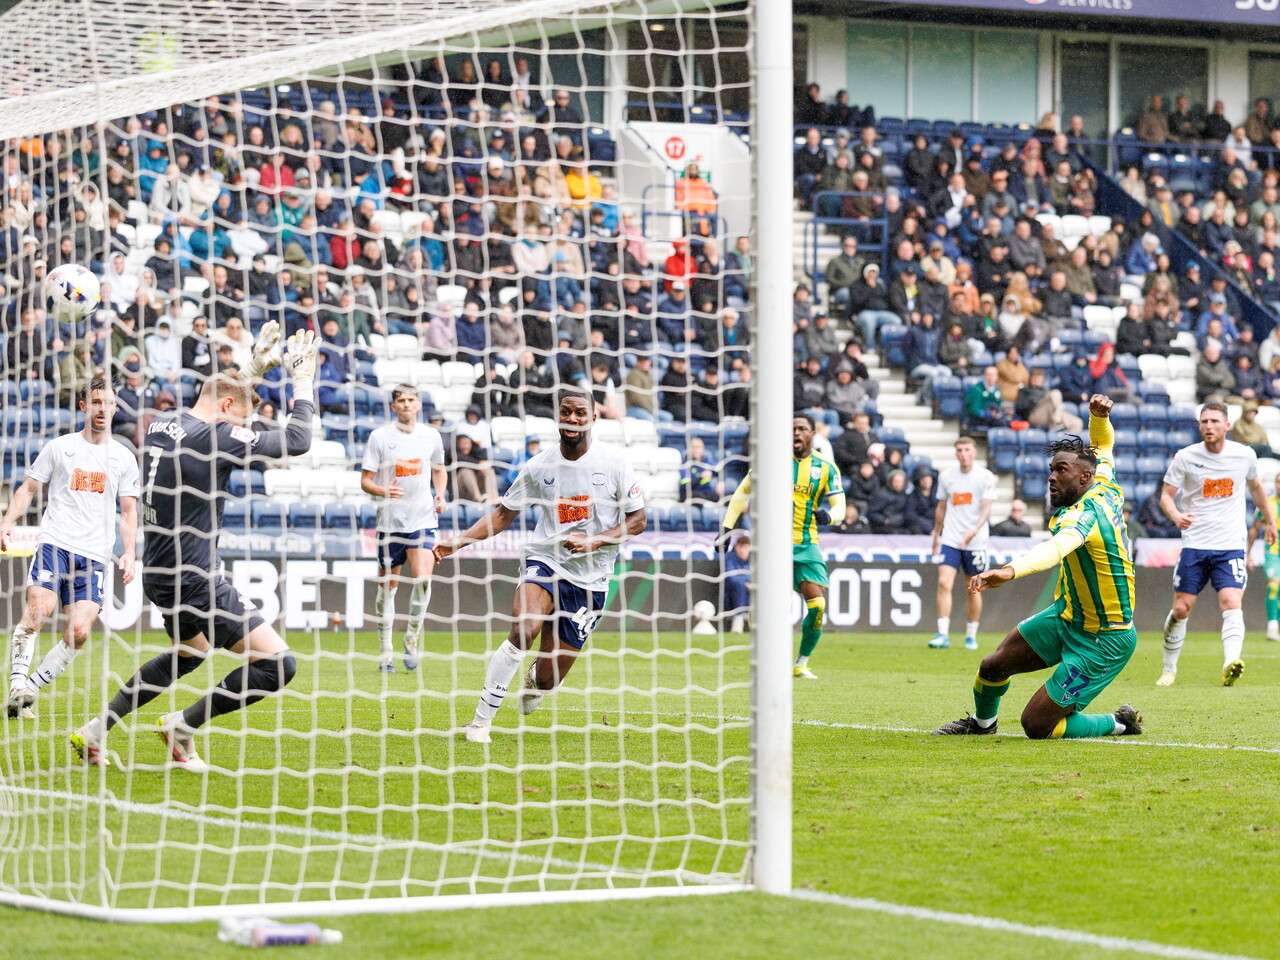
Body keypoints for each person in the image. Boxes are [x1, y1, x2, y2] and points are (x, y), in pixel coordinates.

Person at [70, 323, 318, 769]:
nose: (241, 428)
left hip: (160, 573)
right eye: (240, 417)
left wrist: (253, 368)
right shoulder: (216, 437)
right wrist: (302, 380)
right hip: (195, 578)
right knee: (280, 665)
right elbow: (298, 442)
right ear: (227, 408)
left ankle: (95, 731)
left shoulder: (165, 423)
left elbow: (216, 394)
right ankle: (181, 727)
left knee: (191, 654)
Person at [434, 388, 645, 743]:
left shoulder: (614, 464)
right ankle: (479, 722)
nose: (573, 419)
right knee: (523, 630)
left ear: (594, 418)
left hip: (591, 579)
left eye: (581, 413)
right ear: (557, 416)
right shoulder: (538, 466)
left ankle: (537, 677)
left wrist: (595, 540)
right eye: (566, 412)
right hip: (545, 561)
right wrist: (458, 542)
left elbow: (638, 520)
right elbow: (502, 515)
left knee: (548, 680)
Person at [934, 396, 1144, 740]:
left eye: (1061, 470)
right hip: (1067, 617)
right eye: (1051, 469)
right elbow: (1103, 443)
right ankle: (983, 724)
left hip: (1105, 640)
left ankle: (1120, 722)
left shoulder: (1085, 515)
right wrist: (1097, 417)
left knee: (1037, 726)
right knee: (993, 666)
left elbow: (1055, 550)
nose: (1051, 477)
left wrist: (1009, 571)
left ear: (1084, 476)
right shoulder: (1104, 481)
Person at [3, 380, 139, 720]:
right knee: (39, 608)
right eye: (95, 402)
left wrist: (130, 552)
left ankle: (28, 691)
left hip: (94, 554)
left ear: (115, 408)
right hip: (56, 542)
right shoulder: (59, 447)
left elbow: (128, 511)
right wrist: (7, 521)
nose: (102, 409)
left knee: (78, 632)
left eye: (108, 403)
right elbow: (29, 489)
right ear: (83, 406)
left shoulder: (123, 457)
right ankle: (16, 683)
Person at [1157, 401, 1276, 687]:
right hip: (1195, 544)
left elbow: (1256, 487)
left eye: (1214, 421)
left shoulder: (1244, 455)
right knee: (1182, 608)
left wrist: (1270, 520)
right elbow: (1165, 495)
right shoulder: (1185, 457)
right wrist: (1176, 515)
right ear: (1199, 426)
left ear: (1227, 425)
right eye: (1204, 421)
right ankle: (1168, 668)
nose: (1208, 426)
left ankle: (1230, 663)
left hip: (1230, 545)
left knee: (1231, 602)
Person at [723, 413, 845, 680]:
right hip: (773, 545)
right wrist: (726, 528)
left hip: (807, 544)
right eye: (792, 429)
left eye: (802, 429)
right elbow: (742, 492)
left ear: (813, 434)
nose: (796, 433)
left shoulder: (826, 468)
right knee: (772, 606)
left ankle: (801, 663)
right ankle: (765, 662)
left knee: (818, 606)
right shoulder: (770, 461)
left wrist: (830, 516)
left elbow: (840, 506)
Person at [360, 385, 448, 673]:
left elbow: (439, 467)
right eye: (401, 400)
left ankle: (412, 636)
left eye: (411, 400)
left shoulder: (431, 436)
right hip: (390, 523)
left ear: (419, 405)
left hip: (422, 519)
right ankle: (386, 651)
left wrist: (440, 494)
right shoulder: (380, 437)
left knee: (423, 580)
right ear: (394, 406)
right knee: (388, 589)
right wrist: (383, 490)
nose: (407, 404)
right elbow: (365, 481)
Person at [928, 436, 995, 651]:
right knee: (944, 583)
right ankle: (942, 634)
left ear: (974, 452)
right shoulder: (947, 477)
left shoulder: (985, 477)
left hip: (976, 541)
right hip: (951, 538)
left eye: (967, 450)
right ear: (955, 453)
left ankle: (970, 635)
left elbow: (986, 508)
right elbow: (941, 506)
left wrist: (975, 529)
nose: (963, 454)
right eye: (959, 450)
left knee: (972, 588)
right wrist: (936, 533)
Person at [1248, 473, 1280, 642]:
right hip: (1273, 552)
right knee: (1274, 586)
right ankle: (1272, 627)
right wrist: (1248, 553)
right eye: (1278, 482)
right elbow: (1254, 529)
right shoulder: (1267, 503)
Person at [723, 533, 751, 635]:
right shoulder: (730, 558)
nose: (742, 550)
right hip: (731, 594)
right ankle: (738, 622)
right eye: (740, 547)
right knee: (740, 586)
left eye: (745, 547)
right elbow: (731, 577)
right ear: (736, 547)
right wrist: (746, 582)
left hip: (751, 590)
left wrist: (752, 584)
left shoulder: (755, 559)